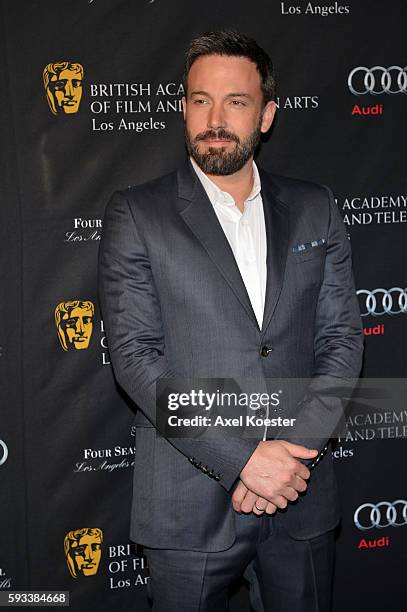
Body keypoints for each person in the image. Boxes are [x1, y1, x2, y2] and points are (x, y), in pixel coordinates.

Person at [98, 30, 363, 611]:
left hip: (301, 496)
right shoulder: (137, 213)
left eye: (235, 102)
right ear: (184, 108)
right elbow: (137, 361)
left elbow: (342, 339)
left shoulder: (315, 205)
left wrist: (291, 453)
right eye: (200, 100)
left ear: (266, 114)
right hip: (188, 506)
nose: (214, 119)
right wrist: (244, 459)